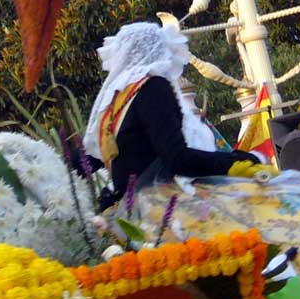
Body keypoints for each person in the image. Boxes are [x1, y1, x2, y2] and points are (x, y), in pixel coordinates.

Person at [83, 21, 267, 209]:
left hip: (128, 211)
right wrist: (239, 160)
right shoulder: (153, 88)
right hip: (158, 208)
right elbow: (177, 159)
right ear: (159, 51)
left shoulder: (116, 100)